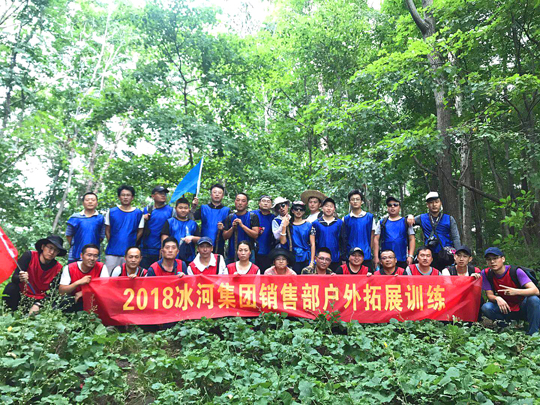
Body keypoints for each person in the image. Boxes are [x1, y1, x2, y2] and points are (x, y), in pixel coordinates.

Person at [481, 247, 540, 335]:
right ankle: (505, 327)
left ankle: (533, 332)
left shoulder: (516, 271)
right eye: (489, 259)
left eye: (495, 258)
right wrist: (497, 298)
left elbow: (535, 291)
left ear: (503, 259)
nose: (492, 262)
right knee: (486, 307)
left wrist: (516, 291)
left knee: (534, 299)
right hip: (505, 307)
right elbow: (489, 295)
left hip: (522, 305)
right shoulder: (486, 273)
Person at [2, 235, 66, 314]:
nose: (52, 252)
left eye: (55, 250)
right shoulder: (29, 256)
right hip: (22, 294)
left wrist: (38, 304)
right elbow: (14, 278)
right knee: (11, 287)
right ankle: (8, 312)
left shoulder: (58, 268)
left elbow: (54, 292)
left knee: (61, 300)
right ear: (43, 247)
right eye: (50, 248)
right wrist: (20, 277)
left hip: (39, 299)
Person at [406, 192, 461, 270]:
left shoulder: (449, 219)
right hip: (429, 254)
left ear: (440, 203)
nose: (434, 205)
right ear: (427, 205)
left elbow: (456, 238)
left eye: (436, 202)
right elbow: (406, 222)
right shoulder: (422, 218)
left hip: (446, 254)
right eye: (431, 202)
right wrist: (409, 216)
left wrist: (458, 254)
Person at [104, 185, 144, 273]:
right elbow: (107, 229)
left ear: (132, 197)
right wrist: (113, 241)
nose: (125, 197)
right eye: (123, 195)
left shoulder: (138, 213)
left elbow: (140, 231)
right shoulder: (111, 212)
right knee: (109, 277)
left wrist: (132, 241)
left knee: (128, 277)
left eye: (128, 195)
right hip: (112, 252)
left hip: (130, 254)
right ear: (119, 197)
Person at [58, 244, 109, 312]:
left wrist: (84, 292)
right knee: (64, 301)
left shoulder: (101, 267)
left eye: (95, 256)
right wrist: (78, 282)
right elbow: (61, 291)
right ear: (81, 256)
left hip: (93, 299)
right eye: (89, 255)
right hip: (75, 299)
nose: (92, 259)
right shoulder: (70, 268)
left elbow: (106, 288)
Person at [373, 196, 415, 270]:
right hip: (385, 259)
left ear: (399, 207)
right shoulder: (382, 222)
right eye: (390, 205)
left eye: (395, 205)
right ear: (387, 208)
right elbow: (376, 239)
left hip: (402, 258)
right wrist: (376, 257)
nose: (392, 207)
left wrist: (410, 256)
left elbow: (412, 239)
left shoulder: (406, 222)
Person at [140, 186, 174, 269]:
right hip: (145, 250)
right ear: (153, 196)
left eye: (164, 194)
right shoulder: (147, 210)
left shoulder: (171, 211)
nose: (163, 195)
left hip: (162, 250)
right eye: (160, 193)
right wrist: (142, 219)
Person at [342, 189, 376, 271]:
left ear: (362, 202)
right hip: (350, 256)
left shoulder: (369, 218)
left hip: (366, 255)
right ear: (349, 202)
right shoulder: (345, 219)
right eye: (352, 199)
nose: (355, 201)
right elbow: (343, 239)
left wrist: (372, 252)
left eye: (357, 199)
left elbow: (373, 236)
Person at [66, 192, 105, 264]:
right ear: (83, 203)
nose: (90, 202)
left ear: (97, 203)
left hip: (94, 256)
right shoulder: (75, 217)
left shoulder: (100, 218)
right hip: (75, 255)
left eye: (93, 200)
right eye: (87, 200)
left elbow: (101, 236)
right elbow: (68, 235)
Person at [191, 183, 230, 255]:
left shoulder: (227, 211)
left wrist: (223, 228)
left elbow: (229, 229)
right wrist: (193, 207)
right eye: (215, 192)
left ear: (222, 196)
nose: (217, 194)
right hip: (203, 244)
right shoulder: (204, 208)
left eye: (219, 193)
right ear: (211, 194)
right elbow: (191, 219)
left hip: (219, 245)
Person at [223, 193, 260, 264]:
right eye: (238, 200)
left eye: (243, 201)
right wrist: (232, 228)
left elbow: (255, 235)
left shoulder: (252, 216)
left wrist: (242, 226)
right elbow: (225, 236)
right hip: (232, 252)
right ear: (235, 202)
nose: (240, 203)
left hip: (249, 253)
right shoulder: (230, 217)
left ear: (246, 203)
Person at [280, 201, 315, 274]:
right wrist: (284, 226)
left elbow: (313, 244)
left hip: (306, 256)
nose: (298, 211)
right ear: (292, 211)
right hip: (293, 256)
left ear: (304, 211)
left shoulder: (309, 225)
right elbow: (283, 242)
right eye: (296, 209)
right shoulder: (288, 225)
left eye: (301, 209)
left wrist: (312, 261)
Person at [161, 197, 200, 263]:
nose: (183, 210)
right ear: (175, 208)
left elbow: (199, 239)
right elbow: (164, 239)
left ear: (189, 209)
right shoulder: (170, 222)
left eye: (185, 208)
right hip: (172, 257)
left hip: (189, 257)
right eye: (180, 208)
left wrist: (192, 238)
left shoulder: (193, 224)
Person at [311, 197, 344, 272]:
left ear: (334, 209)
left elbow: (343, 241)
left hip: (335, 258)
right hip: (320, 260)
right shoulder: (316, 223)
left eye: (331, 206)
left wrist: (343, 257)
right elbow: (313, 242)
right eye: (326, 206)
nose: (328, 208)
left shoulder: (339, 223)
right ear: (322, 208)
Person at [252, 195, 276, 271]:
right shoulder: (252, 214)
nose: (265, 203)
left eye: (268, 202)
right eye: (263, 201)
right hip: (251, 250)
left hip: (267, 251)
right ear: (259, 203)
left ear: (271, 205)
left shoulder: (273, 218)